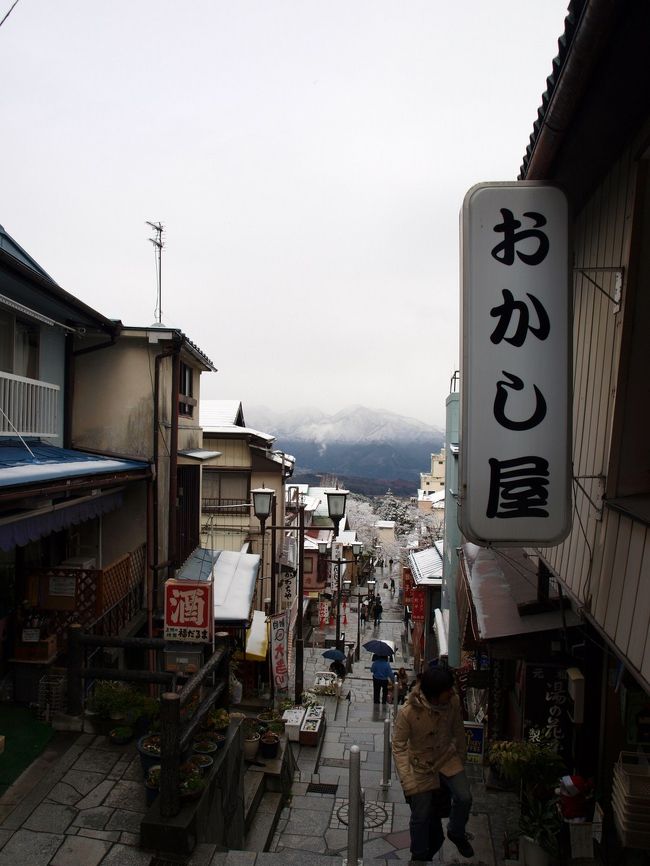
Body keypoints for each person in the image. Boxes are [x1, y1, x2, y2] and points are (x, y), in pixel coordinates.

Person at [392, 667, 474, 861]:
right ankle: (418, 855)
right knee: (420, 815)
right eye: (448, 690)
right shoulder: (408, 712)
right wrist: (407, 781)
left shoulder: (453, 702)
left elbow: (458, 729)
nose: (452, 692)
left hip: (447, 758)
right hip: (420, 766)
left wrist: (460, 758)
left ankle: (456, 831)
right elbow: (399, 746)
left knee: (464, 797)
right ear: (436, 694)